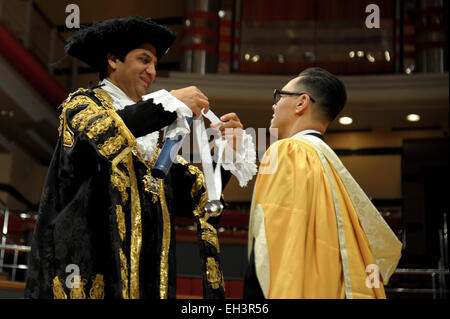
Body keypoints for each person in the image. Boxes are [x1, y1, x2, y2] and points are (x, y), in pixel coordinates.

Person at [25, 17, 257, 299]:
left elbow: (199, 199)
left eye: (155, 64)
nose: (152, 71)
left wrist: (226, 153)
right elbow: (103, 137)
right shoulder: (82, 105)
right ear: (113, 60)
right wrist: (170, 103)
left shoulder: (154, 139)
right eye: (144, 60)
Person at [243, 68, 402, 299]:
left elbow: (275, 242)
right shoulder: (331, 168)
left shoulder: (289, 151)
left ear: (301, 103)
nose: (274, 105)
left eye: (279, 96)